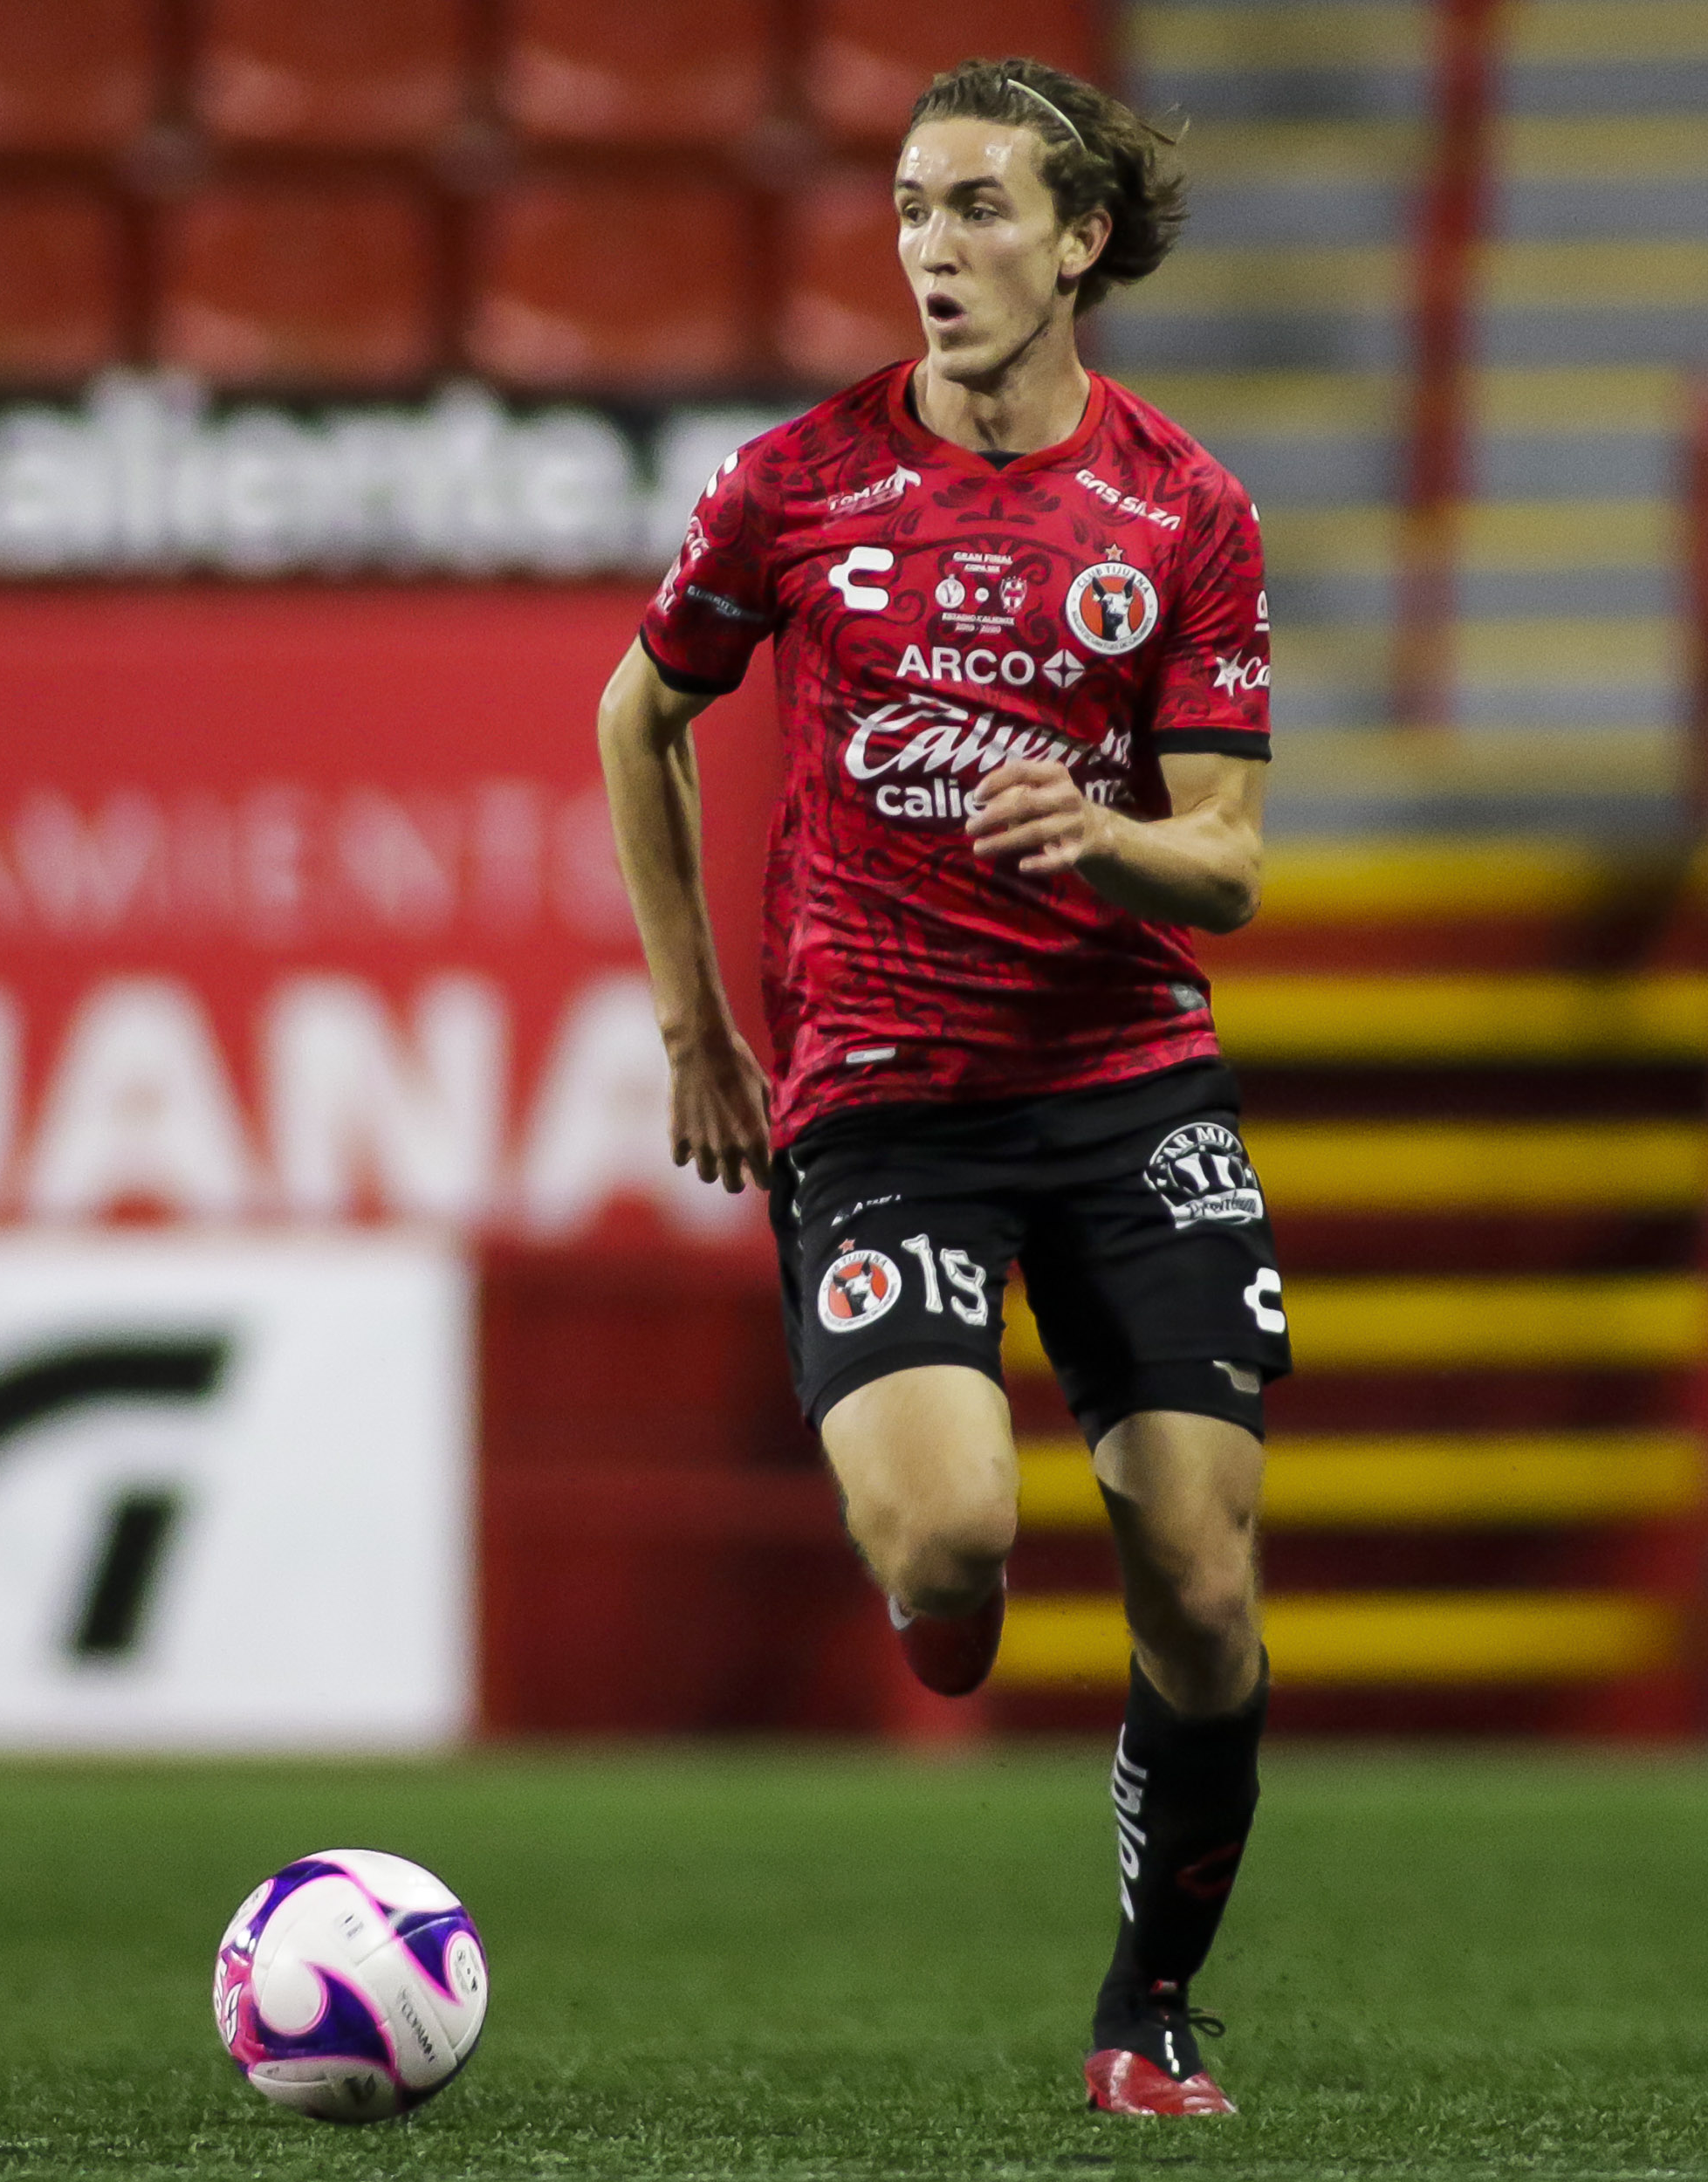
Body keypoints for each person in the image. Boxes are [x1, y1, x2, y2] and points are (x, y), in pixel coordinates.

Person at [595, 57, 1286, 2118]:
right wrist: (697, 1027)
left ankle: (1148, 2009)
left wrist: (1106, 838)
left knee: (1202, 1582)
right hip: (885, 1101)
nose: (931, 246)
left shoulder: (1184, 510)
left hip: (1129, 1089)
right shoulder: (794, 485)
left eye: (978, 206)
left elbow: (1227, 864)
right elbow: (637, 719)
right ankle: (942, 1580)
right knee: (949, 1547)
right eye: (910, 206)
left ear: (1079, 242)